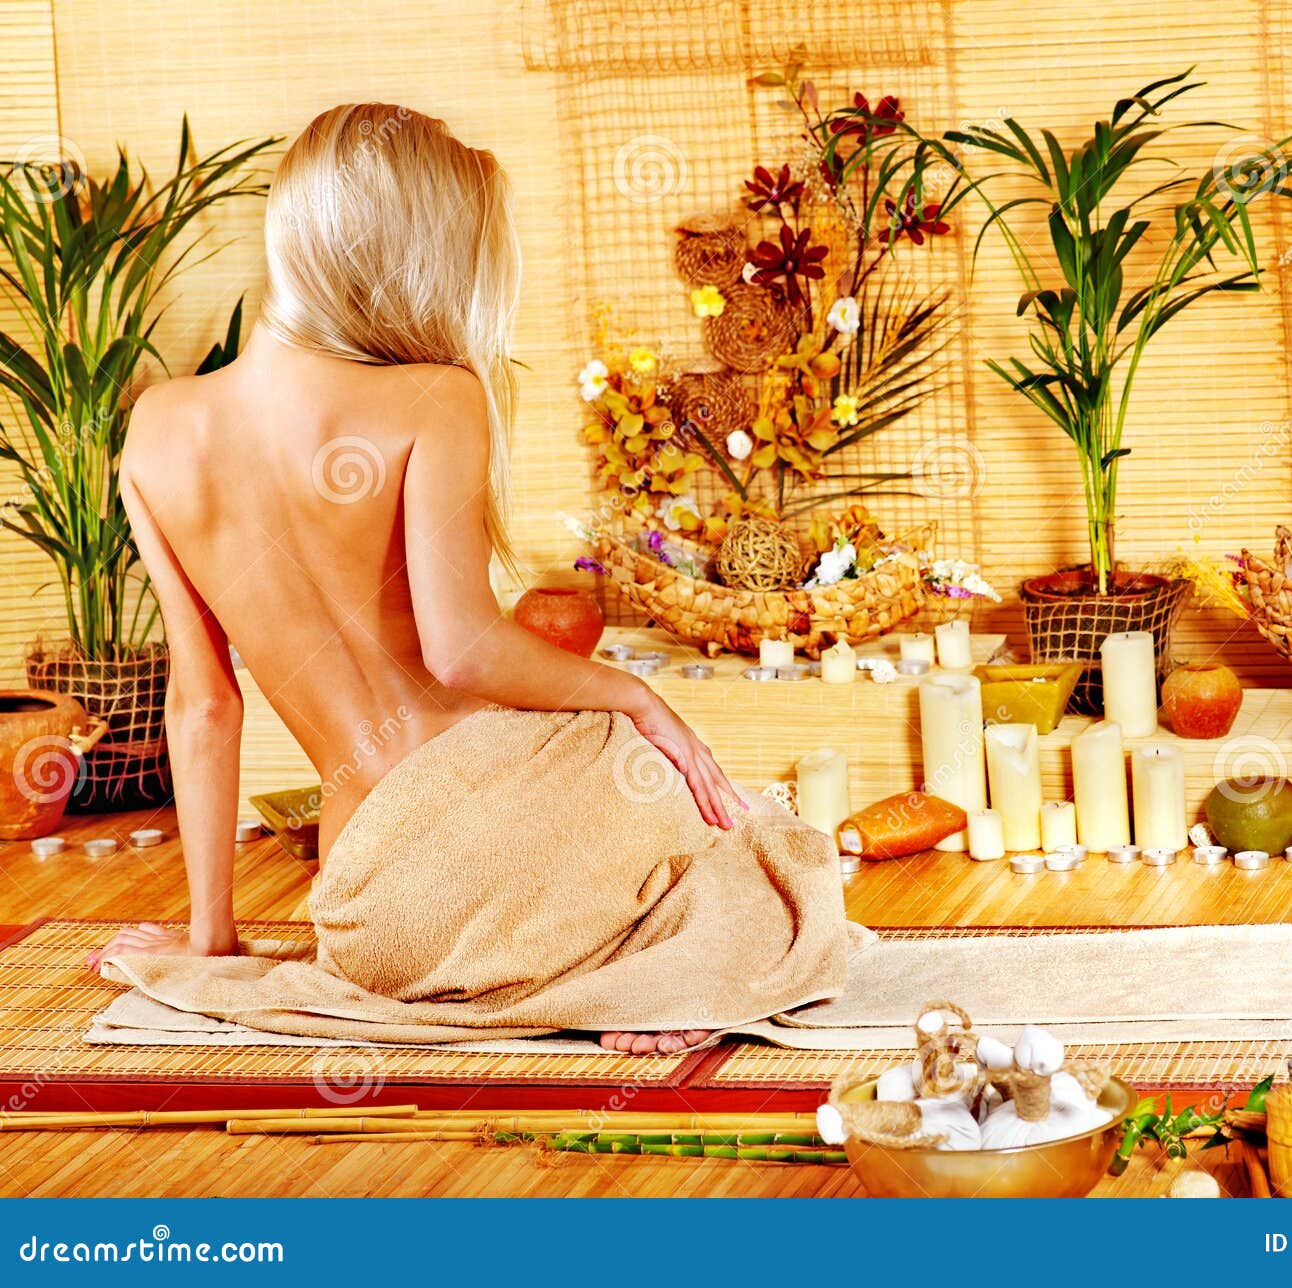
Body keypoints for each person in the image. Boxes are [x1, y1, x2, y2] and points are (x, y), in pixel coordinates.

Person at [88, 104, 848, 1055]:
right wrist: (640, 700)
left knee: (682, 831)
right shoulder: (432, 396)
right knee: (767, 860)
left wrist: (213, 942)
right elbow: (462, 649)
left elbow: (203, 707)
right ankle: (637, 972)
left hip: (367, 909)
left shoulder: (156, 428)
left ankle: (595, 970)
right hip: (496, 832)